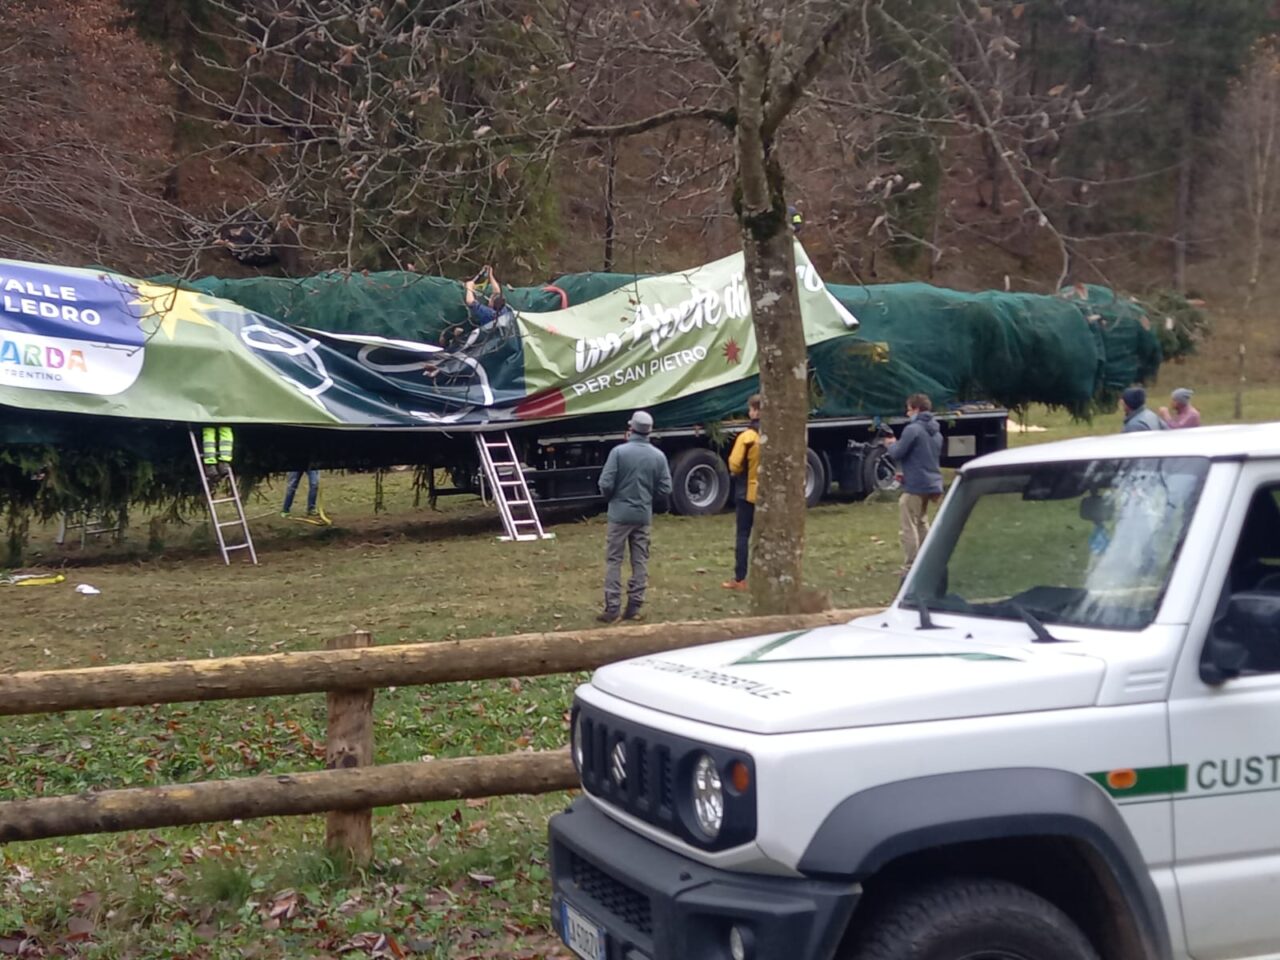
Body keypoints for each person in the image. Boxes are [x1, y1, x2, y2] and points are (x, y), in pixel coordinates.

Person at [597, 410, 673, 623]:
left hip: (619, 515)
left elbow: (605, 484)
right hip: (642, 515)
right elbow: (666, 487)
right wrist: (648, 499)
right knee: (640, 560)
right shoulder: (658, 456)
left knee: (614, 560)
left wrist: (613, 498)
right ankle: (634, 606)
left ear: (631, 429)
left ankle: (612, 608)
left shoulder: (618, 452)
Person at [885, 393, 943, 574]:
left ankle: (911, 566)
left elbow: (897, 453)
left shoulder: (913, 429)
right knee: (921, 521)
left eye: (909, 409)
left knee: (908, 523)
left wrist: (890, 444)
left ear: (917, 409)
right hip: (933, 483)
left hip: (916, 484)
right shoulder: (936, 431)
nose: (907, 413)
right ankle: (928, 561)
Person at [723, 395, 761, 592]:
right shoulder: (777, 434)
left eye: (751, 409)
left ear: (755, 411)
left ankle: (740, 578)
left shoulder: (747, 437)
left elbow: (735, 463)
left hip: (748, 491)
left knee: (743, 535)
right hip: (769, 494)